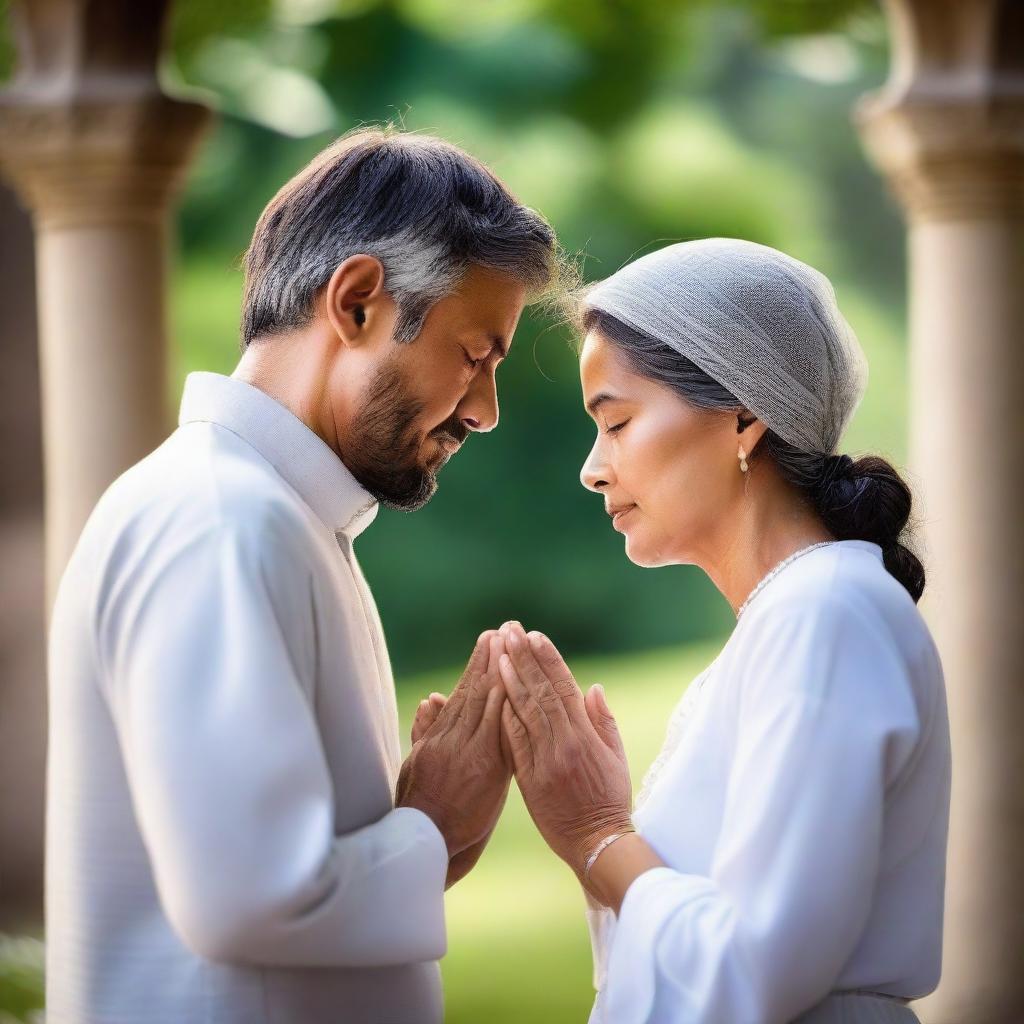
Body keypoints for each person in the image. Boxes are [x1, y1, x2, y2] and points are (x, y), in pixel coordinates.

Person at [44, 127, 558, 1024]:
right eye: (477, 356)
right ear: (358, 302)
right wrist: (432, 825)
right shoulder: (219, 520)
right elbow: (251, 897)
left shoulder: (268, 515)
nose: (485, 411)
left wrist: (426, 835)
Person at [494, 239, 951, 1024]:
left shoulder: (825, 615)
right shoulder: (793, 618)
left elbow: (758, 969)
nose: (591, 468)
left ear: (742, 417)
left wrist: (596, 835)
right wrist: (606, 829)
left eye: (618, 421)